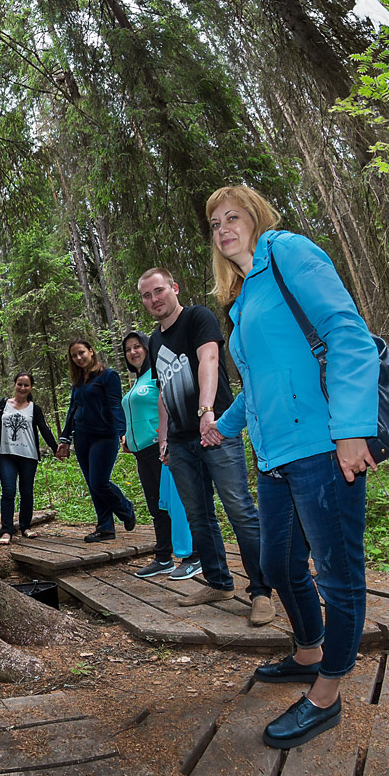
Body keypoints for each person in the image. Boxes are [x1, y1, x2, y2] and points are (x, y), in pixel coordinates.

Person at [203, 185, 378, 749]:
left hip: (324, 448)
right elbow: (259, 383)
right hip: (274, 458)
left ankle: (326, 695)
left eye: (233, 216)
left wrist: (351, 427)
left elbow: (347, 333)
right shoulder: (243, 298)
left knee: (338, 576)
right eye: (214, 222)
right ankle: (309, 649)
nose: (223, 227)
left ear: (257, 218)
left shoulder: (288, 253)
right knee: (277, 565)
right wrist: (223, 427)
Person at [138, 267, 275, 626]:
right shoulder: (153, 341)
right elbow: (164, 392)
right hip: (181, 443)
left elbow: (210, 360)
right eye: (147, 296)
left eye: (158, 291)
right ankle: (218, 581)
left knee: (240, 510)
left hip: (216, 430)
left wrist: (207, 411)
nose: (154, 300)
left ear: (174, 288)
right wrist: (164, 438)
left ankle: (261, 591)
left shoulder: (197, 317)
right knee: (198, 515)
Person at [120, 330, 195, 579]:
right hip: (141, 453)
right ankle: (164, 557)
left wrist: (167, 439)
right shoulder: (138, 380)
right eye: (128, 349)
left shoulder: (157, 373)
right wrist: (128, 438)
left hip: (160, 449)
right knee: (156, 506)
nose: (133, 352)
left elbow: (172, 405)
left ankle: (193, 555)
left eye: (137, 346)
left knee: (176, 503)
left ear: (148, 347)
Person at [57, 339, 136, 543]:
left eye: (81, 353)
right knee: (92, 485)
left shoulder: (108, 376)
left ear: (91, 351)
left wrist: (122, 432)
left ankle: (125, 508)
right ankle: (105, 528)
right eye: (74, 356)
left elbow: (115, 405)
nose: (78, 358)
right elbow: (72, 410)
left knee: (99, 482)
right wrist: (65, 438)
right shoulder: (78, 381)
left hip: (105, 436)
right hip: (83, 437)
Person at [0, 372, 58, 543]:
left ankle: (25, 527)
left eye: (26, 385)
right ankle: (7, 530)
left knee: (26, 492)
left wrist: (56, 449)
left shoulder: (34, 408)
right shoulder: (3, 405)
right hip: (7, 454)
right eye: (19, 384)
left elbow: (44, 429)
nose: (22, 388)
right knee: (8, 492)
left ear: (31, 388)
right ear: (14, 385)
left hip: (29, 456)